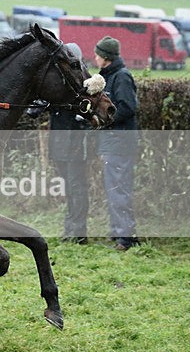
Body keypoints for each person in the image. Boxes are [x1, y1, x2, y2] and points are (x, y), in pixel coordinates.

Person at [93, 36, 140, 251]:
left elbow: (127, 108)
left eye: (98, 55)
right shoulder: (108, 76)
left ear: (106, 58)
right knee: (114, 188)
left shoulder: (121, 77)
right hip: (112, 141)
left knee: (118, 188)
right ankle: (118, 232)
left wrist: (104, 120)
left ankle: (125, 237)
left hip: (120, 142)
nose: (95, 58)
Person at [48, 43, 90, 244]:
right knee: (69, 188)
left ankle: (79, 232)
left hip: (75, 142)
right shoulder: (60, 81)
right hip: (60, 142)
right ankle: (70, 229)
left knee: (76, 188)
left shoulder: (83, 83)